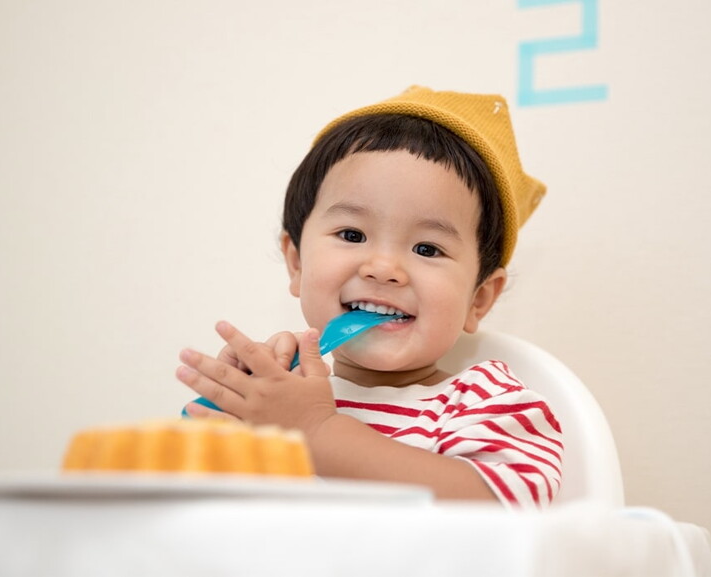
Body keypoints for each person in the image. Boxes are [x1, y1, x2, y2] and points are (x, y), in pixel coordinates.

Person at [176, 86, 563, 508]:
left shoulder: (486, 401)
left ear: (479, 299)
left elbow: (507, 513)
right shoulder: (280, 397)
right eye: (352, 235)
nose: (382, 268)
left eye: (427, 249)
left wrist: (316, 431)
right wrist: (235, 421)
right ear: (297, 263)